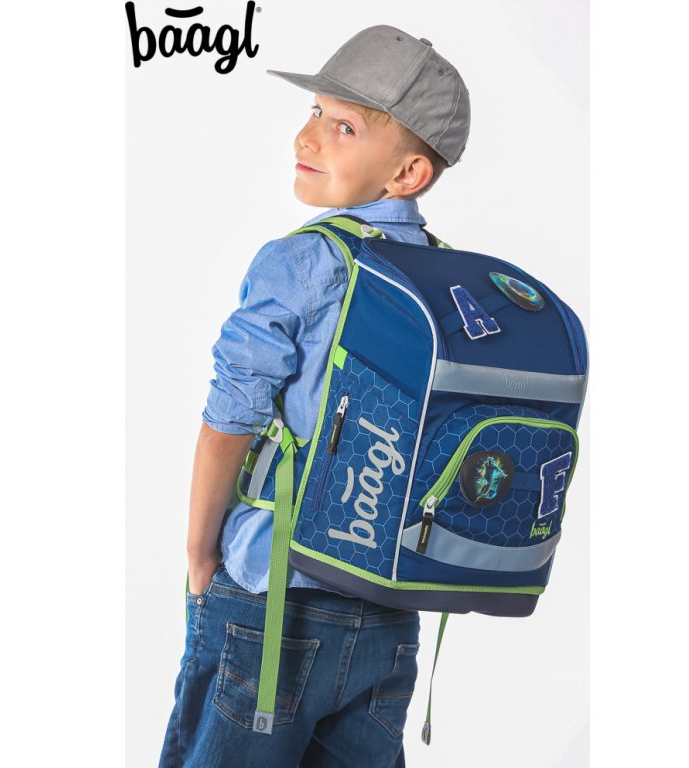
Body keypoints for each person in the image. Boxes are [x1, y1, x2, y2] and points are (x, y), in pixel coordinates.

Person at [159, 24, 471, 768]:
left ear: (409, 173)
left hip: (269, 602)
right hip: (389, 615)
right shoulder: (452, 283)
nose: (309, 136)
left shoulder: (299, 262)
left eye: (344, 127)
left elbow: (228, 420)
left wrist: (200, 554)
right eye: (315, 113)